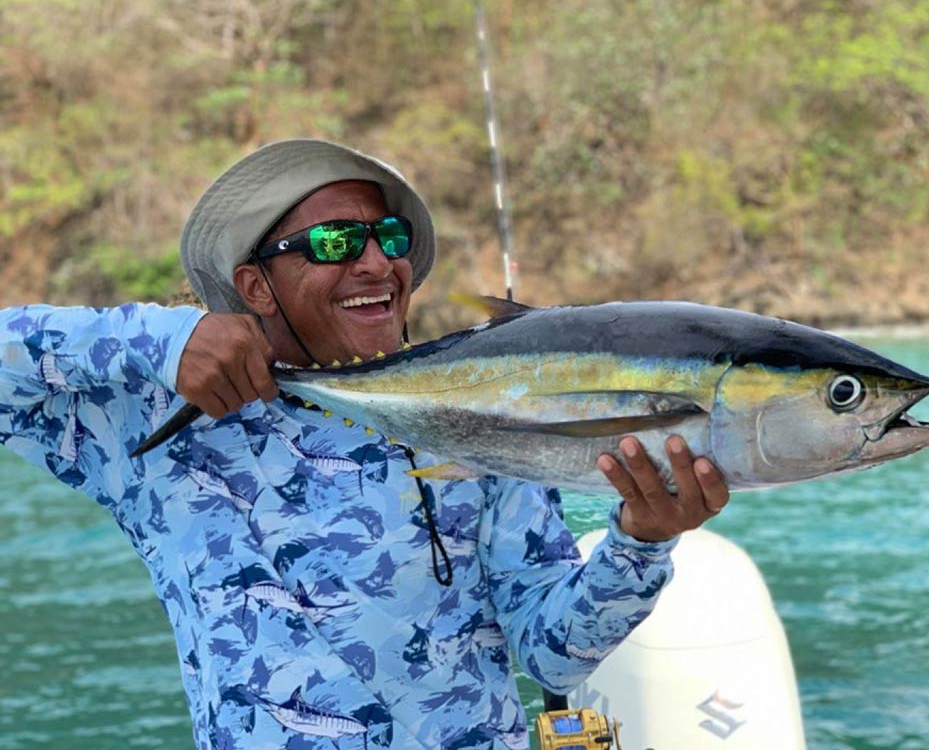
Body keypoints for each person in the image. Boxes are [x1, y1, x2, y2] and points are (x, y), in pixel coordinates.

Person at [0, 139, 729, 749]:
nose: (377, 263)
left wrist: (640, 542)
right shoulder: (155, 417)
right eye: (335, 243)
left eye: (391, 238)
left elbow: (550, 652)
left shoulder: (474, 403)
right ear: (254, 285)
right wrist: (162, 339)